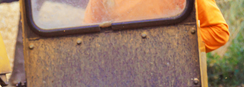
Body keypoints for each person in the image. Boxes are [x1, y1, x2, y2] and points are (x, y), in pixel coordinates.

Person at [84, 0, 229, 52]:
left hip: (172, 80)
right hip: (120, 77)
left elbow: (218, 32)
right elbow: (85, 40)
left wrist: (168, 44)